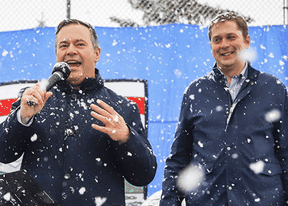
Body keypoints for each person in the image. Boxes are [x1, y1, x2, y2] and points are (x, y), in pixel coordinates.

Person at [0, 19, 157, 205]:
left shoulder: (122, 108)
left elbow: (144, 175)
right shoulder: (34, 100)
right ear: (57, 54)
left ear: (96, 54)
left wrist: (125, 137)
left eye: (80, 44)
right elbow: (4, 154)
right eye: (63, 45)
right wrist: (23, 117)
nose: (71, 50)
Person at [160, 12, 288, 205]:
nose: (224, 45)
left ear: (246, 41)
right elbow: (179, 158)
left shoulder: (273, 88)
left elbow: (285, 152)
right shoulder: (196, 92)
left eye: (231, 37)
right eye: (217, 39)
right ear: (211, 46)